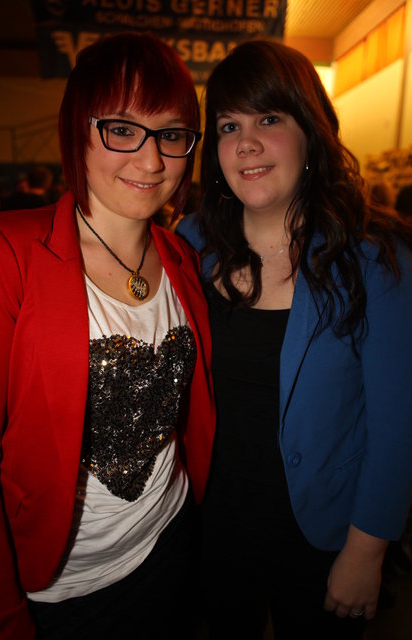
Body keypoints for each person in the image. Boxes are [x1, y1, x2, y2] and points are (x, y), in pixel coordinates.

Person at [176, 38, 412, 640]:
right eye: (229, 126)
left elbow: (397, 426)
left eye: (269, 119)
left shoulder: (375, 259)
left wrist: (367, 550)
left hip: (325, 536)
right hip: (213, 528)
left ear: (311, 130)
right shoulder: (190, 243)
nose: (246, 143)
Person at [0, 31, 215, 640]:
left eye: (171, 134)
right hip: (60, 590)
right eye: (122, 129)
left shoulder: (182, 258)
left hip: (171, 540)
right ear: (78, 131)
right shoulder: (5, 255)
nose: (151, 160)